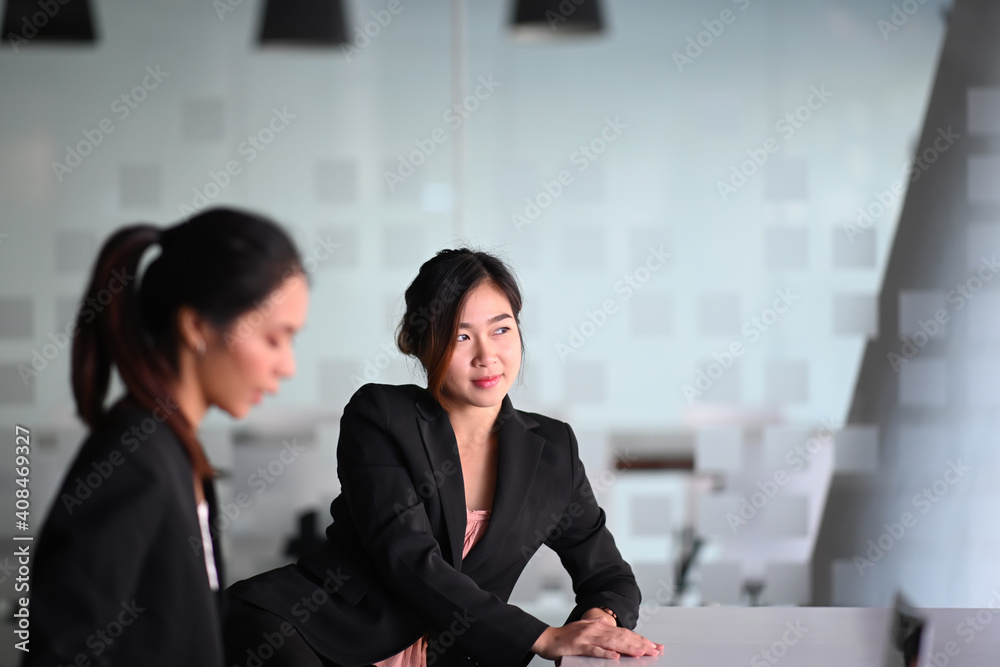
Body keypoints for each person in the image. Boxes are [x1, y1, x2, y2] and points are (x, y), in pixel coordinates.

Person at [224, 248, 663, 666]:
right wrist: (542, 637)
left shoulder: (553, 448)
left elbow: (607, 575)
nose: (486, 355)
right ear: (420, 344)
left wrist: (598, 622)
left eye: (501, 329)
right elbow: (408, 560)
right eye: (460, 335)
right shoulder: (381, 416)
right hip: (313, 632)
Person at [24, 208, 309, 667]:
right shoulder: (135, 455)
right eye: (275, 339)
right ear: (196, 326)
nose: (288, 366)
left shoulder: (176, 451)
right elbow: (63, 649)